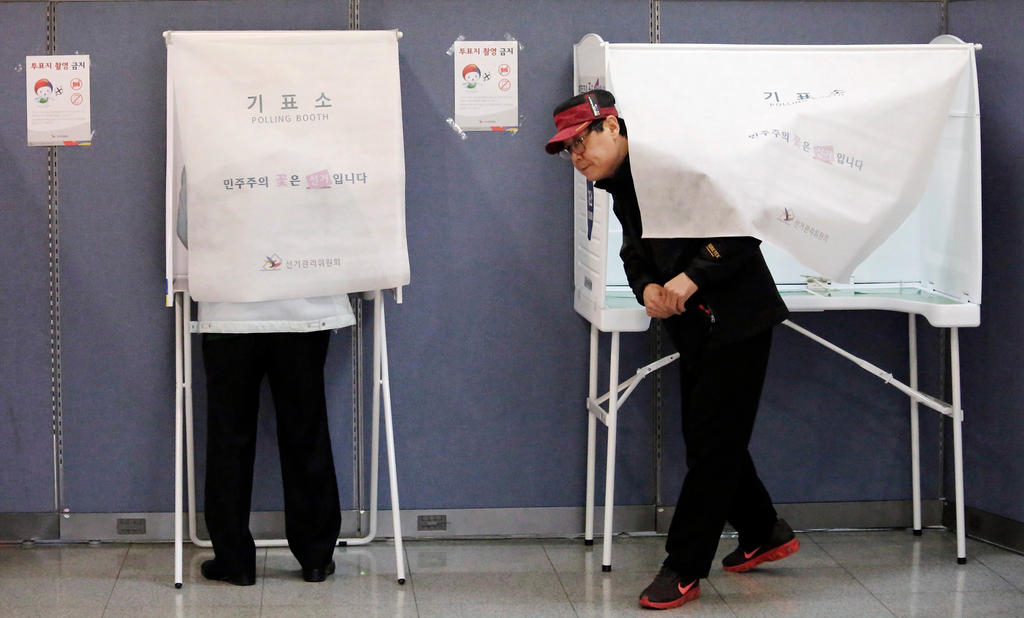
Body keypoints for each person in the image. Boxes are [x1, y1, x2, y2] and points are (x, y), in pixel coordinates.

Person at [546, 90, 799, 610]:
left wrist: (690, 277)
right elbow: (634, 250)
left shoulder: (669, 164)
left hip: (739, 320)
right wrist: (646, 289)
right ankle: (762, 529)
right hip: (696, 326)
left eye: (580, 143)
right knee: (710, 438)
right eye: (568, 152)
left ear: (611, 126)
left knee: (712, 446)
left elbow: (743, 226)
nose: (576, 159)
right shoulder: (620, 183)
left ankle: (683, 568)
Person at [176, 192, 347, 586]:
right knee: (306, 431)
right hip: (304, 307)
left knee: (229, 437)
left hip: (231, 308)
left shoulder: (210, 143)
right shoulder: (321, 137)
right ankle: (316, 556)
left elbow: (190, 230)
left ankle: (235, 559)